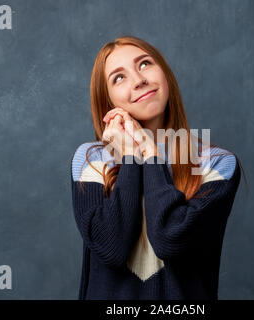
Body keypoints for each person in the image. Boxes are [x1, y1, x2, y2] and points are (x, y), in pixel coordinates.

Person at [70, 36, 245, 300]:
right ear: (108, 103)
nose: (138, 80)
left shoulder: (216, 162)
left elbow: (169, 241)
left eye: (145, 64)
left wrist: (150, 154)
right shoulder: (92, 159)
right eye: (119, 78)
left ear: (165, 74)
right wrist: (130, 156)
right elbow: (112, 248)